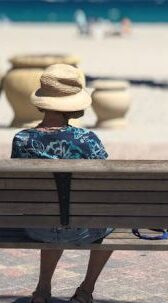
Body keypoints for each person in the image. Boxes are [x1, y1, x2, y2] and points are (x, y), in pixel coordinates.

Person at [10, 64, 113, 303]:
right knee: (116, 221)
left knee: (52, 212)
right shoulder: (88, 140)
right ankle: (86, 290)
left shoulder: (22, 139)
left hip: (37, 228)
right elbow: (104, 185)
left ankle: (43, 290)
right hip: (83, 229)